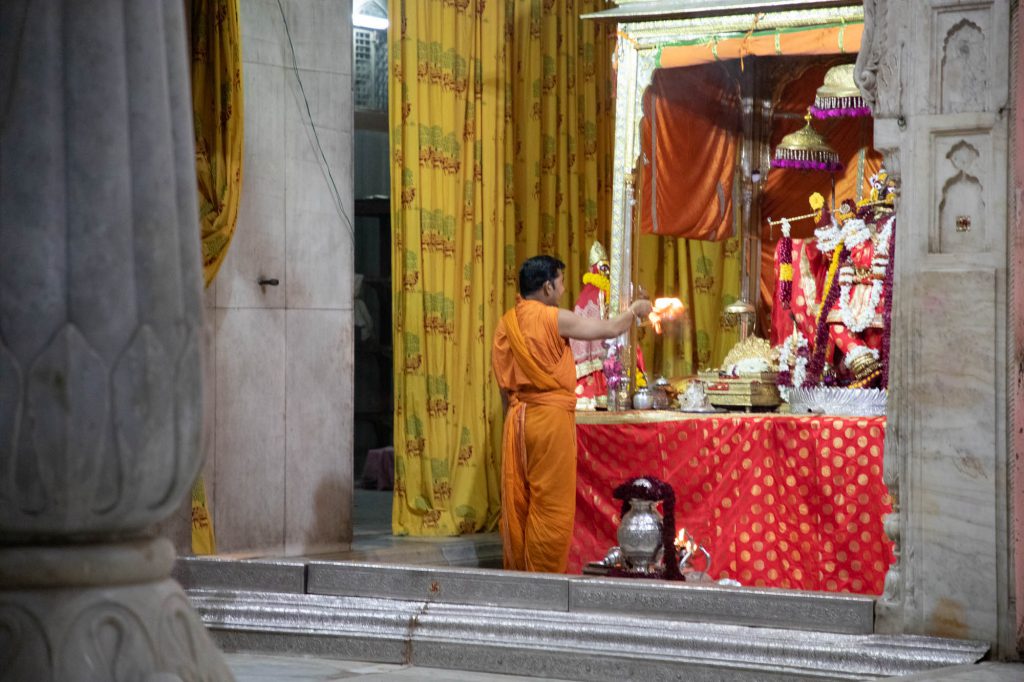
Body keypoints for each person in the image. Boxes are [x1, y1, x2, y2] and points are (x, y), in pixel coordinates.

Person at [491, 255, 653, 573]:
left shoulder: (506, 322)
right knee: (550, 505)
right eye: (561, 282)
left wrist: (513, 419)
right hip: (549, 421)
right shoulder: (553, 318)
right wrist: (635, 310)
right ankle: (542, 579)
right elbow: (609, 328)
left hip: (517, 418)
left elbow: (501, 383)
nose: (564, 289)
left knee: (520, 500)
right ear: (547, 285)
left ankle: (519, 578)